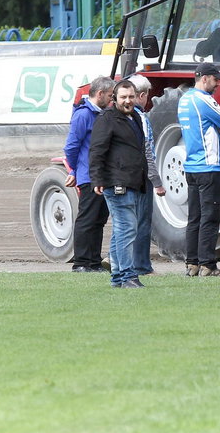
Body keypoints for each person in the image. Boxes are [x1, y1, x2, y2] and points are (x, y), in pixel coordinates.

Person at [89, 80, 158, 289]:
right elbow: (96, 151)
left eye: (131, 96)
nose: (128, 100)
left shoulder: (135, 117)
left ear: (136, 96)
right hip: (117, 182)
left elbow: (141, 150)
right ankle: (128, 276)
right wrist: (97, 179)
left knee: (123, 229)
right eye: (123, 97)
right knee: (127, 228)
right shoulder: (107, 119)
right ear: (114, 98)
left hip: (135, 182)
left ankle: (119, 276)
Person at [178, 62, 220, 277]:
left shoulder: (184, 99)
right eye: (215, 80)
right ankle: (208, 265)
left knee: (194, 217)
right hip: (208, 166)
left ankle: (192, 263)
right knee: (210, 217)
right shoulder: (204, 100)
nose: (217, 85)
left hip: (191, 166)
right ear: (204, 78)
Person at [63, 76, 115, 273]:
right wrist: (75, 171)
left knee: (99, 219)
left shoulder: (101, 113)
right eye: (110, 96)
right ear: (100, 94)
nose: (112, 100)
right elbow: (71, 147)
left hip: (100, 175)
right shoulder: (84, 115)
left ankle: (93, 261)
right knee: (87, 219)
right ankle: (82, 262)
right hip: (88, 175)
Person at [126, 74, 167, 276]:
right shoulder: (140, 118)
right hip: (142, 177)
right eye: (147, 95)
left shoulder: (119, 117)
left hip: (125, 176)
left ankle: (120, 261)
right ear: (141, 95)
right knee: (142, 221)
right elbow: (148, 150)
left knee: (126, 220)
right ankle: (141, 266)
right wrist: (157, 180)